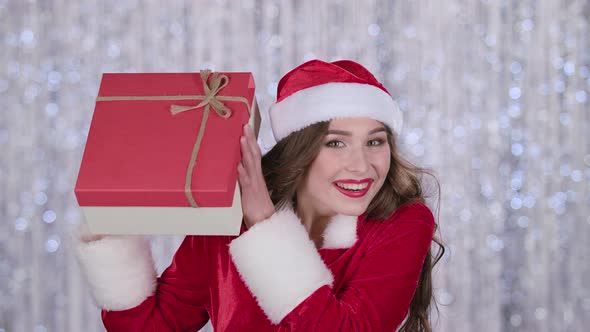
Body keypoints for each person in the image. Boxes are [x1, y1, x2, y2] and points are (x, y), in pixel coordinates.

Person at [73, 59, 445, 331]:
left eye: (375, 141)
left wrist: (265, 226)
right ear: (300, 150)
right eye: (336, 143)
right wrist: (112, 215)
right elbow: (151, 327)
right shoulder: (227, 220)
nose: (362, 166)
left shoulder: (402, 221)